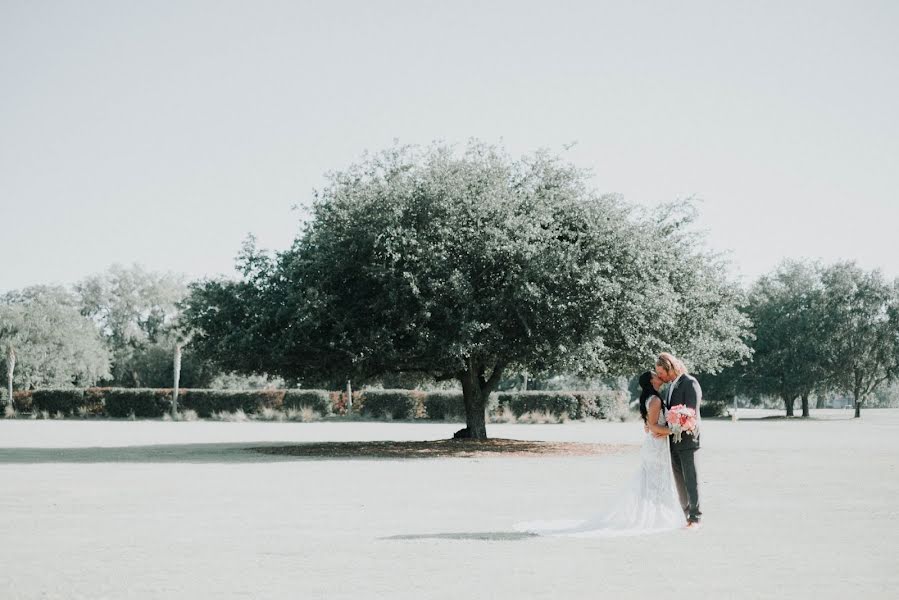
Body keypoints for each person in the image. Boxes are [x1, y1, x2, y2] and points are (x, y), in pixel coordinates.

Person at [514, 371, 686, 537]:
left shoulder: (652, 398)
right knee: (655, 482)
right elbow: (654, 427)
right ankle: (654, 518)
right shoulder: (655, 399)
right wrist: (675, 429)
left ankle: (655, 515)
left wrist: (661, 429)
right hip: (656, 448)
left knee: (654, 482)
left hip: (656, 446)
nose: (659, 376)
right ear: (651, 381)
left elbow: (649, 426)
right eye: (656, 376)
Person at [654, 352, 702, 527]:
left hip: (688, 440)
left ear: (670, 368)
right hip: (673, 441)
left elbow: (691, 414)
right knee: (679, 480)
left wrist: (668, 430)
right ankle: (685, 515)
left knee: (691, 478)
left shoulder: (690, 383)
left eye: (660, 373)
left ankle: (696, 518)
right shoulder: (670, 387)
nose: (659, 376)